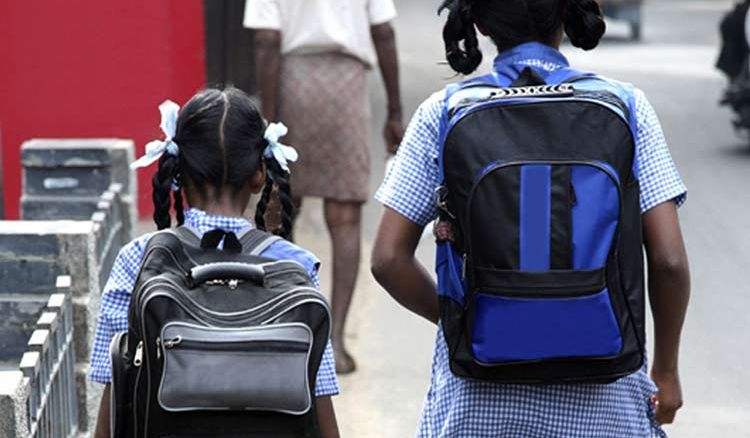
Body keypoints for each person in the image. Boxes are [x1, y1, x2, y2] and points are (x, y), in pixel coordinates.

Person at [371, 0, 691, 436]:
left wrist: (464, 318)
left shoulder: (442, 114)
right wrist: (667, 371)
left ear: (479, 22)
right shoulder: (627, 107)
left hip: (475, 403)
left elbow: (388, 259)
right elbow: (670, 261)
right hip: (606, 403)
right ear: (566, 14)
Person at [88, 88, 340, 438]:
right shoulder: (294, 264)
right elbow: (319, 400)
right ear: (259, 174)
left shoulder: (139, 260)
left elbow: (113, 398)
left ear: (176, 170)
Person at [245, 0, 404, 374]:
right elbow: (383, 30)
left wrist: (269, 120)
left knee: (279, 214)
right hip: (346, 86)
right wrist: (395, 109)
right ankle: (336, 342)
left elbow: (267, 40)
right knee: (344, 218)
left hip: (290, 82)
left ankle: (284, 327)